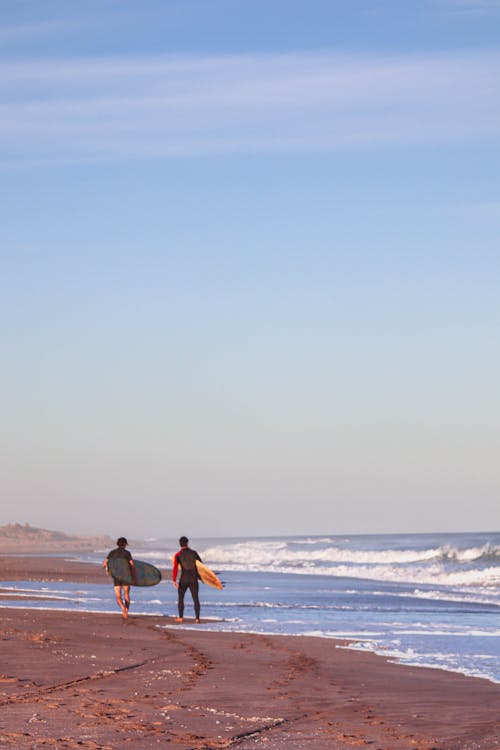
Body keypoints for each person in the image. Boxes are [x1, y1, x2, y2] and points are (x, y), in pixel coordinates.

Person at [103, 537, 136, 619]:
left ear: (117, 544)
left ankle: (123, 608)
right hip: (126, 576)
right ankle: (126, 612)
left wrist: (109, 569)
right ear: (125, 544)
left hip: (116, 576)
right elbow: (132, 565)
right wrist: (134, 576)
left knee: (118, 596)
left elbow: (104, 564)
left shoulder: (112, 552)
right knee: (126, 594)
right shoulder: (127, 553)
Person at [172, 536, 202, 623]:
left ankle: (181, 618)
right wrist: (202, 578)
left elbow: (175, 568)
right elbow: (201, 566)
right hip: (193, 579)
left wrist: (174, 580)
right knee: (196, 599)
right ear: (187, 543)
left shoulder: (178, 555)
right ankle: (197, 619)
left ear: (180, 544)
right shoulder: (194, 553)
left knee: (181, 598)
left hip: (183, 579)